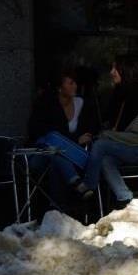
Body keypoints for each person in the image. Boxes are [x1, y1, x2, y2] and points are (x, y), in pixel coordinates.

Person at [81, 56, 138, 210]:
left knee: (101, 145)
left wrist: (106, 135)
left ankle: (88, 187)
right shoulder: (120, 95)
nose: (111, 72)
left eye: (115, 68)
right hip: (126, 148)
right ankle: (125, 197)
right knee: (104, 159)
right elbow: (111, 125)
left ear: (125, 71)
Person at [27, 68, 100, 204]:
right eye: (70, 83)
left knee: (57, 158)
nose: (75, 86)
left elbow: (90, 130)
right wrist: (75, 140)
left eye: (75, 83)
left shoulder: (81, 104)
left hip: (69, 156)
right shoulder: (46, 104)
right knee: (53, 149)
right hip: (40, 155)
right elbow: (39, 133)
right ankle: (76, 184)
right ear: (60, 88)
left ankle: (57, 211)